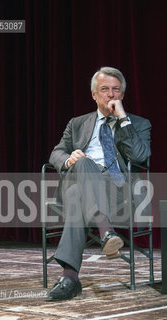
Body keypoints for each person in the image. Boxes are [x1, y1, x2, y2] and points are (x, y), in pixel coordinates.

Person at [48, 66, 151, 300]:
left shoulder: (139, 124)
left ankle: (69, 278)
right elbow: (56, 153)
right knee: (83, 163)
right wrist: (68, 159)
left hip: (118, 193)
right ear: (94, 94)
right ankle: (106, 232)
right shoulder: (77, 123)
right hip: (82, 181)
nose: (111, 94)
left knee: (76, 198)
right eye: (104, 89)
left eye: (116, 90)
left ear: (122, 95)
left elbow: (140, 156)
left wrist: (123, 120)